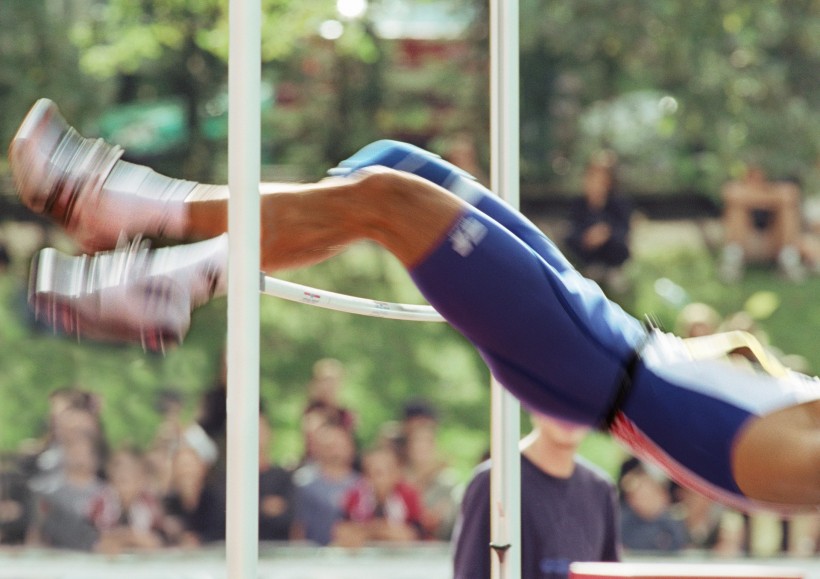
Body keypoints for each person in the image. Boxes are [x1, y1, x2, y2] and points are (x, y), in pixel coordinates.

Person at [9, 99, 820, 511]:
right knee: (395, 165)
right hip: (605, 329)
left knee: (388, 201)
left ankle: (140, 228)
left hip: (585, 361)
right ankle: (162, 261)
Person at [452, 413, 619, 579]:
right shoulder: (496, 480)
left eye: (580, 402)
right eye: (557, 401)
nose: (567, 411)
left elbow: (609, 571)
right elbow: (469, 571)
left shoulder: (600, 489)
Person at [719, 165, 805, 282]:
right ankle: (732, 260)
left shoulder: (779, 188)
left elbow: (789, 196)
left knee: (787, 211)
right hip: (748, 243)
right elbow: (733, 195)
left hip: (773, 244)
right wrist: (768, 199)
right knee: (736, 210)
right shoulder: (737, 188)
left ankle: (789, 260)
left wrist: (757, 198)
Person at [565, 153, 632, 291]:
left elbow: (624, 233)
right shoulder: (578, 205)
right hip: (586, 259)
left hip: (612, 257)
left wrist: (606, 233)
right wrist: (587, 237)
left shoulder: (618, 204)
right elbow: (570, 233)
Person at [333, 445, 424, 547]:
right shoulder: (354, 496)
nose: (374, 478)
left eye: (380, 473)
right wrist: (385, 531)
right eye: (370, 472)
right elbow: (343, 532)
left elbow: (410, 536)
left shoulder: (409, 496)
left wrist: (367, 531)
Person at [617, 457, 688, 553]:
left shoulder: (673, 522)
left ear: (662, 495)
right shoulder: (622, 521)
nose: (642, 500)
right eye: (639, 495)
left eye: (647, 495)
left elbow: (680, 548)